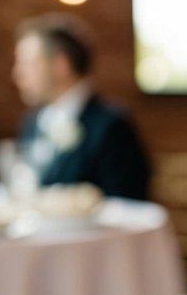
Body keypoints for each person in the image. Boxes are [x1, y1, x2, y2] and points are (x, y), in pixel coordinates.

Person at [12, 13, 150, 200]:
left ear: (61, 65)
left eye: (27, 63)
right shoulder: (32, 123)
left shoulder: (112, 126)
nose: (17, 74)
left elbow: (128, 205)